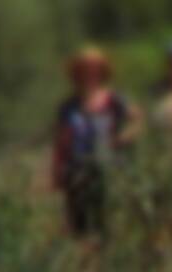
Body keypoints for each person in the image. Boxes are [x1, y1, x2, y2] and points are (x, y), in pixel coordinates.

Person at [51, 45, 140, 237]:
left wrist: (122, 138)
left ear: (102, 71)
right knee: (79, 228)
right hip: (76, 173)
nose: (89, 73)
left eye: (94, 68)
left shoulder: (114, 100)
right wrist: (57, 170)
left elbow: (138, 121)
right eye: (84, 69)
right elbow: (60, 140)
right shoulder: (68, 106)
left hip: (108, 171)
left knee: (107, 224)